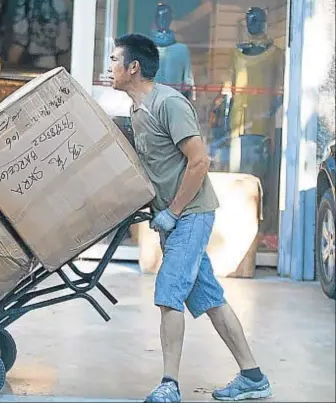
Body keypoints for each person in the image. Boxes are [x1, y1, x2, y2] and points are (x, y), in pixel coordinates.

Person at [108, 33, 272, 403]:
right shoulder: (137, 111)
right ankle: (253, 376)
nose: (110, 66)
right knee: (211, 299)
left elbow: (200, 161)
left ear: (134, 68)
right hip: (173, 217)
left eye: (115, 60)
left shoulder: (169, 103)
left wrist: (174, 212)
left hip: (191, 215)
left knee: (169, 294)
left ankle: (169, 384)